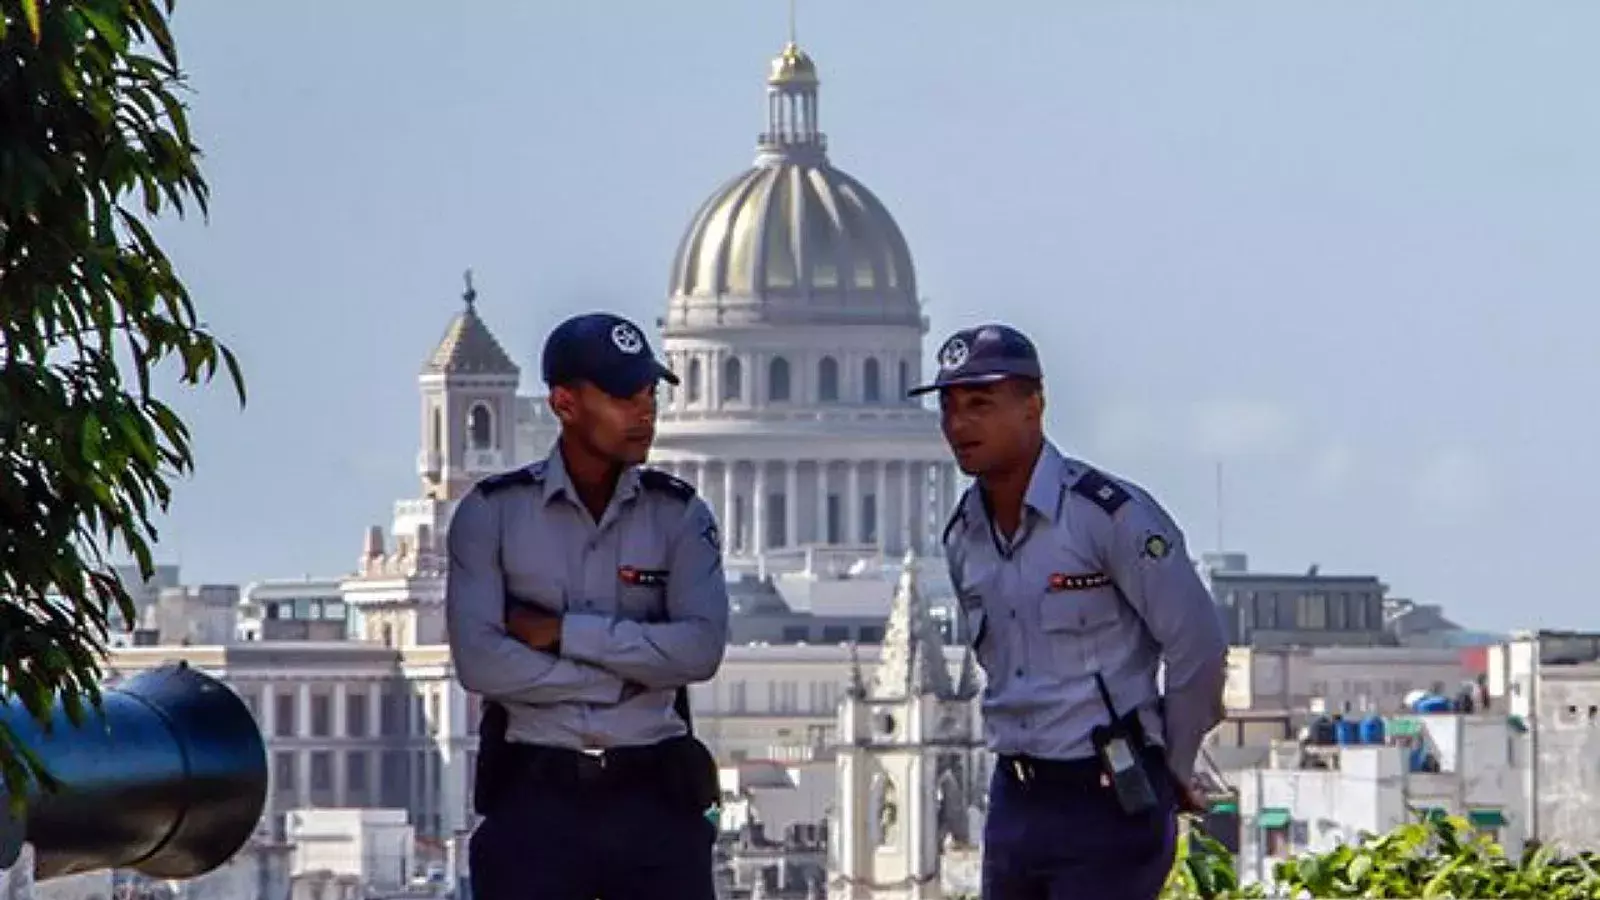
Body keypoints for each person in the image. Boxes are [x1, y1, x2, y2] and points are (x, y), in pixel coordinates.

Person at [908, 324, 1229, 900]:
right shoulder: (965, 537)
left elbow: (1198, 646)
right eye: (949, 408)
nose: (958, 425)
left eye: (980, 405)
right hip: (1016, 796)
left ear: (1034, 406)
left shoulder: (1106, 516)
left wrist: (1172, 764)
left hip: (1107, 793)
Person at [446, 312, 730, 900]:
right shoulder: (493, 514)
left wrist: (565, 634)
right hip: (535, 800)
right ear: (564, 403)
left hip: (654, 800)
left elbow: (700, 651)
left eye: (650, 393)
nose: (645, 410)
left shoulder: (680, 514)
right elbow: (480, 664)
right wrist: (626, 677)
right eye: (624, 395)